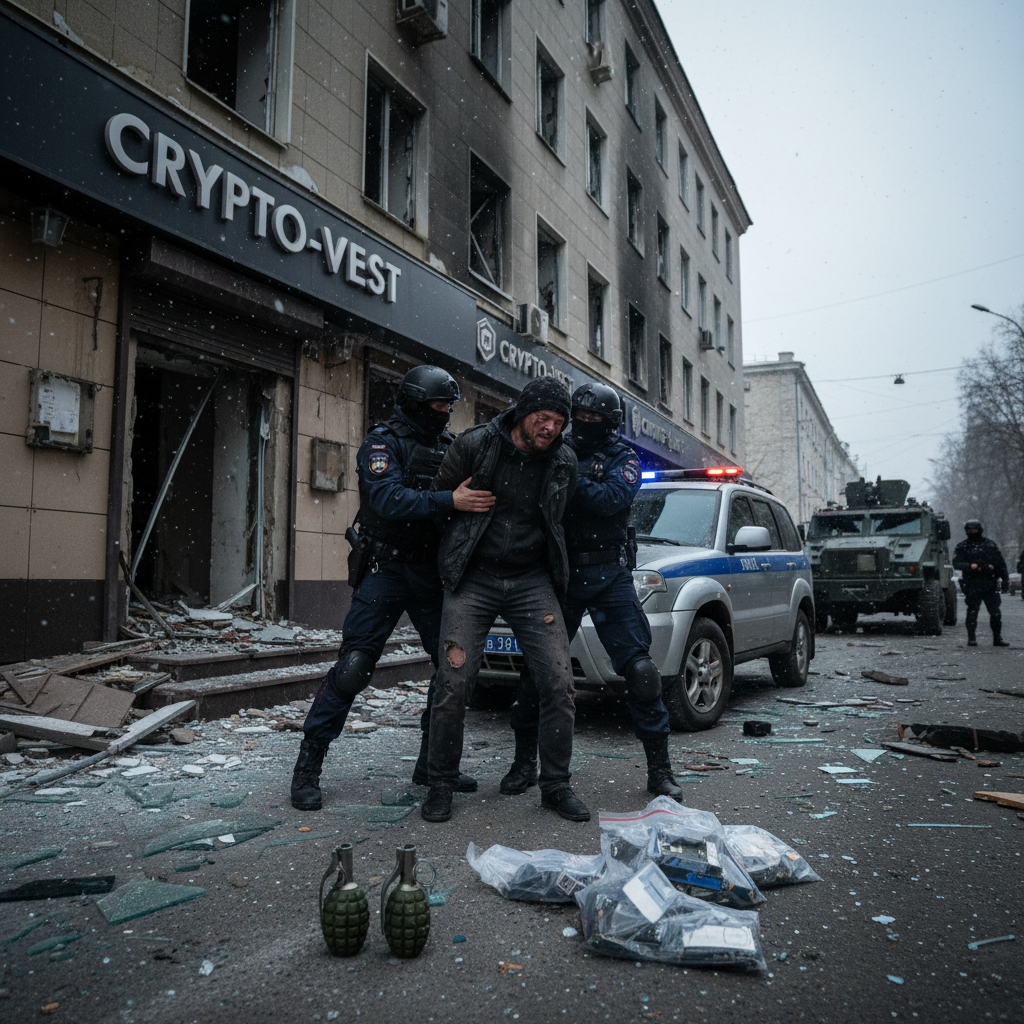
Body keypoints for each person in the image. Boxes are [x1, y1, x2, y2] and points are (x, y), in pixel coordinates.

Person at [290, 365, 495, 811]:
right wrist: (450, 500)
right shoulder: (382, 443)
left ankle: (432, 764)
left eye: (449, 406)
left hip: (432, 572)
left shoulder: (449, 446)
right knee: (354, 666)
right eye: (438, 405)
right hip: (386, 567)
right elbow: (386, 499)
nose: (444, 413)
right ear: (416, 403)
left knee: (452, 668)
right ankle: (308, 768)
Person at [500, 383, 683, 801]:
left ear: (610, 422)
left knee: (641, 672)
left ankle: (660, 770)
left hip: (608, 572)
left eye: (593, 419)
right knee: (536, 674)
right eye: (579, 417)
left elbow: (609, 499)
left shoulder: (624, 458)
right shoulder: (555, 448)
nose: (584, 424)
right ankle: (524, 762)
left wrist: (566, 477)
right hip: (560, 573)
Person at [420, 378, 585, 823]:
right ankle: (441, 783)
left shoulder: (564, 460)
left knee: (559, 684)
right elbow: (440, 502)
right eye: (543, 418)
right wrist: (459, 532)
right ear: (523, 413)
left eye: (558, 422)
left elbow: (561, 518)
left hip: (532, 580)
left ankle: (556, 785)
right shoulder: (475, 444)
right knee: (454, 683)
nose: (550, 428)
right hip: (474, 578)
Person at [952, 519, 1010, 647]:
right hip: (972, 583)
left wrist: (1005, 580)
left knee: (995, 613)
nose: (972, 532)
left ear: (980, 530)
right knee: (973, 611)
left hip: (990, 582)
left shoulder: (990, 545)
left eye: (975, 530)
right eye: (970, 530)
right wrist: (971, 566)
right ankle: (971, 638)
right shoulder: (963, 546)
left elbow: (1001, 564)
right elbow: (956, 564)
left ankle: (997, 637)